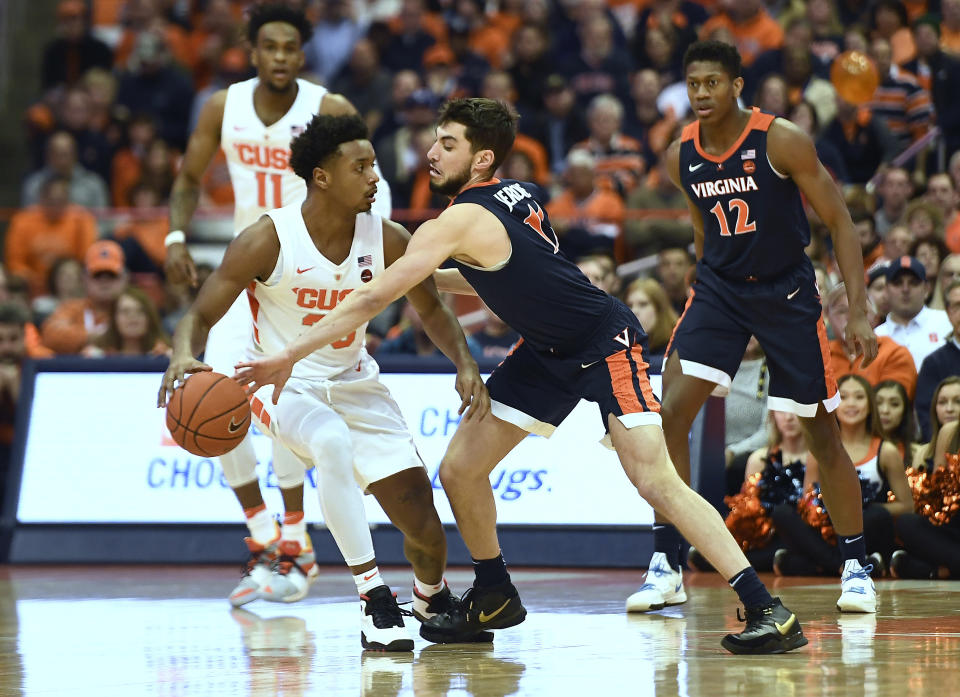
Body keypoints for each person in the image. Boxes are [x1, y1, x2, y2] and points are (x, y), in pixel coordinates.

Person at [236, 97, 809, 655]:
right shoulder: (518, 195)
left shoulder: (456, 218)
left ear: (481, 159)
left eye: (448, 143)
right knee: (460, 469)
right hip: (548, 350)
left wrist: (289, 354)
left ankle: (766, 610)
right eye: (435, 139)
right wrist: (414, 274)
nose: (431, 152)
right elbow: (492, 271)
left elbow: (375, 297)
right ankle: (494, 591)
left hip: (604, 341)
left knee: (656, 482)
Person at [160, 112, 487, 651]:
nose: (374, 177)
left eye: (374, 165)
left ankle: (430, 600)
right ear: (321, 176)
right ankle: (373, 599)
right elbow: (200, 314)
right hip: (281, 383)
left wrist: (465, 362)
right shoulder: (267, 238)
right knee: (329, 442)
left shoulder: (386, 236)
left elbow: (430, 308)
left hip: (357, 381)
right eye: (360, 167)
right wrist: (180, 355)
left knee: (426, 531)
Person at [636, 40, 879, 615]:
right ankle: (666, 561)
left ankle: (855, 564)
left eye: (712, 83)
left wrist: (860, 308)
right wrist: (711, 289)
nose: (701, 93)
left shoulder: (780, 138)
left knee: (820, 430)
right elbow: (702, 229)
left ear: (737, 85)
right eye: (693, 83)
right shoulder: (680, 155)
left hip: (786, 291)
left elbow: (840, 221)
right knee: (666, 415)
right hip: (720, 291)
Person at [163, 1, 392, 606]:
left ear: (303, 52)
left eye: (292, 47)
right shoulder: (224, 105)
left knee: (283, 401)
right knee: (206, 394)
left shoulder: (331, 108)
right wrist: (176, 236)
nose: (282, 57)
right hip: (250, 265)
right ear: (252, 49)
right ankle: (267, 538)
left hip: (302, 271)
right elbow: (188, 177)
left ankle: (294, 543)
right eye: (270, 47)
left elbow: (371, 173)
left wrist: (372, 248)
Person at [771, 374, 913, 576]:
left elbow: (907, 505)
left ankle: (817, 565)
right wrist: (827, 513)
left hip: (866, 525)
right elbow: (807, 501)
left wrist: (859, 508)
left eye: (859, 397)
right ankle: (843, 564)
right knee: (783, 513)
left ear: (870, 404)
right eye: (843, 397)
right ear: (833, 404)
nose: (851, 404)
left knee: (877, 516)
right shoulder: (818, 450)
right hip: (826, 527)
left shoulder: (886, 450)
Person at [824, 283, 917, 399]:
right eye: (842, 311)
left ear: (876, 318)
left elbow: (891, 409)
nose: (851, 317)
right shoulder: (818, 357)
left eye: (861, 311)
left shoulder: (895, 355)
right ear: (828, 319)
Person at [875, 256, 952, 371]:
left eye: (913, 282)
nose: (905, 289)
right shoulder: (876, 336)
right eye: (898, 283)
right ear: (886, 290)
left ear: (926, 289)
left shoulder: (947, 323)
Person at [916, 280, 960, 440]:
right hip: (946, 455)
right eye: (957, 306)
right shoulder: (934, 363)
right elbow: (926, 418)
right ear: (948, 312)